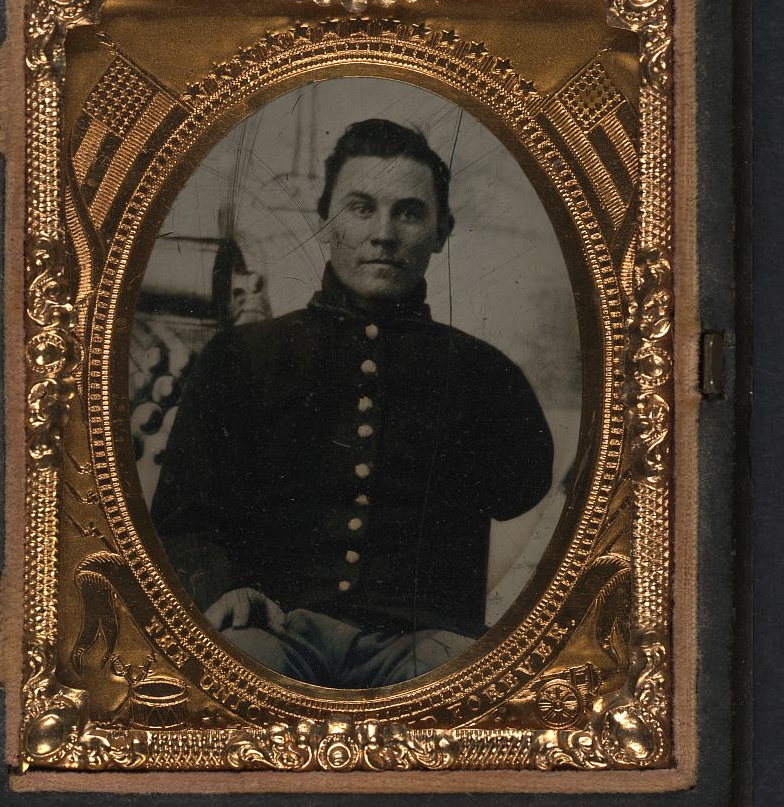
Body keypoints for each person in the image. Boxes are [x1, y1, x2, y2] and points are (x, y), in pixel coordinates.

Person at [151, 118, 553, 688]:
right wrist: (222, 588)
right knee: (235, 677)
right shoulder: (242, 357)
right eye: (361, 208)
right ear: (327, 221)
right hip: (276, 630)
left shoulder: (485, 375)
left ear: (442, 230)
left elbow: (519, 491)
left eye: (409, 212)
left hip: (421, 644)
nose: (384, 233)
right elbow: (181, 517)